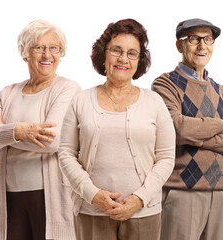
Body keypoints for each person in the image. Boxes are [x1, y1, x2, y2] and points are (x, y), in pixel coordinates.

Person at [58, 18, 175, 240]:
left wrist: (140, 198)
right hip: (91, 211)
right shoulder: (80, 101)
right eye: (116, 50)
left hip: (144, 212)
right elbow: (65, 153)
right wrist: (93, 195)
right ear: (103, 55)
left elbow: (167, 157)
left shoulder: (155, 102)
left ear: (139, 60)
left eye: (132, 53)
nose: (123, 58)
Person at [0, 19, 81, 240]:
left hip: (49, 197)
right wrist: (19, 131)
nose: (47, 55)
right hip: (9, 196)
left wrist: (2, 131)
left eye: (54, 48)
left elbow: (52, 141)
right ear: (25, 53)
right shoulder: (7, 93)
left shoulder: (67, 89)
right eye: (39, 47)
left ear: (61, 53)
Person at [151, 18, 223, 240]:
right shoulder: (165, 84)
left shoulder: (222, 92)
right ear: (179, 45)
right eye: (193, 39)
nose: (202, 46)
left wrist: (198, 138)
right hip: (183, 191)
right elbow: (178, 128)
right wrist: (220, 125)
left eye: (208, 39)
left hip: (222, 190)